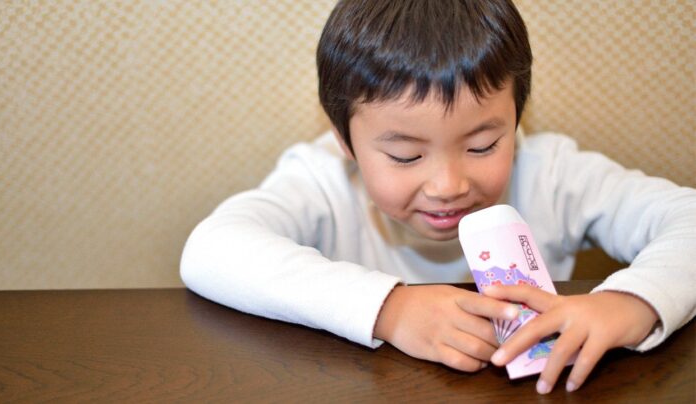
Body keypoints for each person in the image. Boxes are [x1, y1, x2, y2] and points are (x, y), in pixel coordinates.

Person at [180, 0, 696, 395]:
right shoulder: (322, 180)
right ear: (345, 141)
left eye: (483, 145)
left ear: (517, 119)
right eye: (406, 156)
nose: (448, 184)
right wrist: (390, 309)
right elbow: (212, 250)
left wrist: (631, 302)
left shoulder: (553, 173)